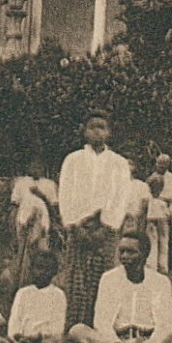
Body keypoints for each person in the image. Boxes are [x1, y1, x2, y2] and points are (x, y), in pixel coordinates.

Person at [57, 111, 132, 331]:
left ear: (109, 132)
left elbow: (121, 197)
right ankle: (73, 325)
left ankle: (100, 326)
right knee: (75, 276)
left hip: (105, 231)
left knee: (104, 277)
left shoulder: (118, 163)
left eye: (102, 127)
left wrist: (107, 227)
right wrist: (73, 224)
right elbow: (66, 194)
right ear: (84, 131)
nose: (97, 131)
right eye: (92, 127)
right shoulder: (73, 160)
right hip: (79, 228)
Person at [0, 250, 68, 343]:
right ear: (31, 269)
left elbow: (57, 327)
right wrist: (17, 336)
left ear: (54, 272)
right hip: (21, 340)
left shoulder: (59, 295)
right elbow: (15, 320)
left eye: (47, 269)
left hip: (43, 340)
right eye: (39, 268)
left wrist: (39, 337)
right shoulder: (23, 293)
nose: (42, 272)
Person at [8, 174, 55, 291]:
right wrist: (15, 230)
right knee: (23, 257)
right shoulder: (21, 182)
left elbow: (53, 209)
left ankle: (38, 287)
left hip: (42, 226)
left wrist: (41, 196)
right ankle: (20, 287)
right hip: (24, 226)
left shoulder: (49, 184)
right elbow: (14, 208)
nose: (36, 166)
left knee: (39, 257)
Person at [149, 153, 172, 274]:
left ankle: (159, 265)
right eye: (158, 163)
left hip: (159, 207)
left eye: (161, 164)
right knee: (158, 237)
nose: (159, 166)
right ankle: (157, 265)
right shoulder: (165, 177)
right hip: (159, 207)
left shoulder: (163, 177)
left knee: (159, 237)